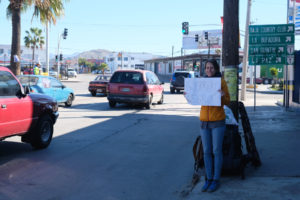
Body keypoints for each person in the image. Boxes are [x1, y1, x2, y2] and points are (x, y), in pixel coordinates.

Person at [199, 59, 230, 192]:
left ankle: (216, 179)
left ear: (216, 69)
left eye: (211, 67)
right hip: (204, 121)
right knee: (206, 151)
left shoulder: (221, 82)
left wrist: (222, 95)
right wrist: (188, 95)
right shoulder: (202, 82)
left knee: (216, 151)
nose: (209, 70)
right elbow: (197, 98)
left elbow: (227, 101)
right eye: (207, 68)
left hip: (217, 121)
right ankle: (208, 178)